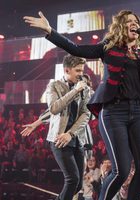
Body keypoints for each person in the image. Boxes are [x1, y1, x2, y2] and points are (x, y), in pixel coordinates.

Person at [24, 9, 140, 200]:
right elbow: (76, 49)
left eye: (136, 21)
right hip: (114, 112)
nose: (134, 23)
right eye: (128, 21)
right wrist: (50, 31)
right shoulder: (108, 47)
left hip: (138, 112)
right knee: (121, 171)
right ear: (120, 27)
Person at [21, 54, 91, 200]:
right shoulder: (54, 86)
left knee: (77, 185)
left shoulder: (85, 87)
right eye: (77, 71)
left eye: (81, 71)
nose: (81, 74)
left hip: (76, 138)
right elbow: (54, 109)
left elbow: (86, 114)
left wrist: (70, 134)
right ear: (67, 70)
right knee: (72, 179)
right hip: (58, 139)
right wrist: (75, 91)